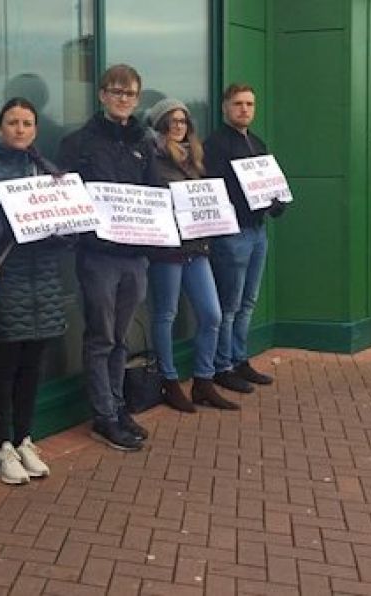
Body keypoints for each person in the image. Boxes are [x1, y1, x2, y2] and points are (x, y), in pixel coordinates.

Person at [57, 63, 156, 451]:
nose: (123, 99)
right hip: (98, 256)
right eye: (116, 92)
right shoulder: (78, 142)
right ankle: (104, 416)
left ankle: (117, 405)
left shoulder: (144, 143)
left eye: (130, 94)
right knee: (101, 337)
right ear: (101, 95)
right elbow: (64, 194)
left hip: (135, 256)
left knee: (121, 338)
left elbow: (155, 195)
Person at [0, 97, 68, 484]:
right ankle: (1, 447)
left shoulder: (45, 167)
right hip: (9, 274)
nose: (20, 129)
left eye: (27, 123)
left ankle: (24, 438)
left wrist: (69, 229)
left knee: (33, 364)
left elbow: (65, 215)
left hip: (44, 276)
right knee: (6, 364)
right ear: (0, 127)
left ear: (35, 129)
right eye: (12, 122)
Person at [146, 98, 238, 412]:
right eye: (171, 121)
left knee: (211, 314)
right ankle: (169, 380)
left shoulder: (195, 161)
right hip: (167, 251)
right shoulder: (153, 159)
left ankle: (203, 379)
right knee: (166, 315)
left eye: (183, 121)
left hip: (197, 249)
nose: (178, 126)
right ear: (159, 126)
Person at [204, 83, 286, 394]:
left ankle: (240, 359)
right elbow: (214, 191)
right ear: (225, 107)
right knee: (229, 305)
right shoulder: (215, 145)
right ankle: (222, 365)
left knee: (248, 301)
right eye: (238, 103)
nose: (244, 109)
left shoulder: (258, 143)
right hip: (232, 232)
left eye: (250, 104)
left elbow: (271, 185)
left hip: (257, 230)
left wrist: (277, 202)